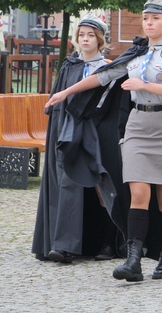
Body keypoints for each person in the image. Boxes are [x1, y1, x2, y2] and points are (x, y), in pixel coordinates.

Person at [45, 0, 162, 281]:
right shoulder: (135, 55)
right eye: (146, 18)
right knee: (138, 193)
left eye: (155, 19)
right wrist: (65, 93)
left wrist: (143, 84)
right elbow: (102, 77)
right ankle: (133, 261)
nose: (149, 23)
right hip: (138, 126)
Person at [33, 15, 120, 263]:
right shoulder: (69, 66)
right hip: (70, 131)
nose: (85, 39)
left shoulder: (108, 67)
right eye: (81, 35)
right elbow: (57, 103)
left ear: (100, 40)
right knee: (68, 182)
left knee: (101, 184)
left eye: (90, 35)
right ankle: (64, 245)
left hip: (97, 129)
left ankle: (108, 242)